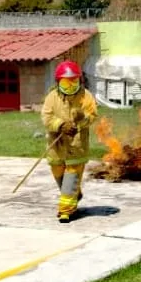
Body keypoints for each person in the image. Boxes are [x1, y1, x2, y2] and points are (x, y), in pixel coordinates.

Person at [40, 60, 97, 224]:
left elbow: (92, 116)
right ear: (58, 82)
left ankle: (65, 211)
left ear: (80, 80)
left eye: (74, 81)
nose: (71, 85)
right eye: (66, 82)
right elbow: (46, 117)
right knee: (59, 176)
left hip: (77, 147)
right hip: (56, 146)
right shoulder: (51, 97)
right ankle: (75, 194)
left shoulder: (86, 96)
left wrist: (82, 119)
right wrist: (60, 125)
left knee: (71, 178)